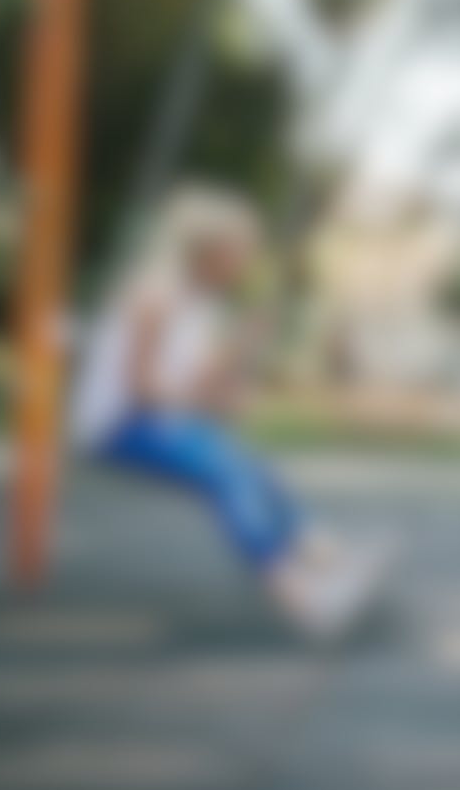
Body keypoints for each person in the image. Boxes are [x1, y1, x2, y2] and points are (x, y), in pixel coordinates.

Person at [71, 185, 387, 640]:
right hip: (115, 428)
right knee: (228, 473)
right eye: (242, 249)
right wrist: (210, 400)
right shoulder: (153, 299)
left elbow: (194, 384)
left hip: (158, 422)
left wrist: (240, 348)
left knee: (253, 468)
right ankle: (300, 593)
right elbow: (141, 391)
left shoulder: (199, 304)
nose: (248, 259)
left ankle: (328, 558)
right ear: (209, 250)